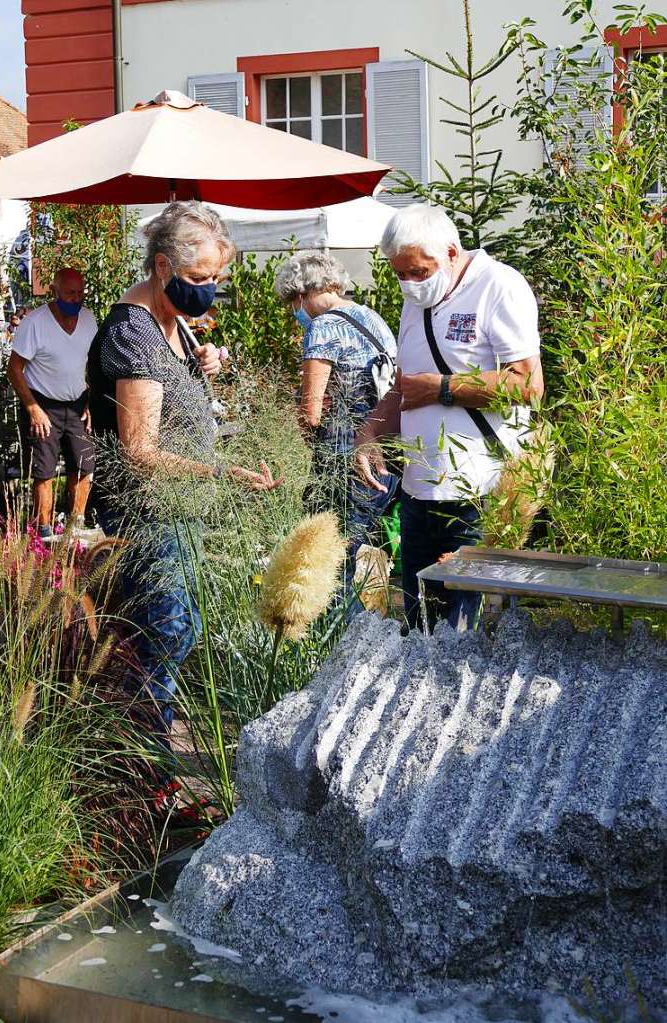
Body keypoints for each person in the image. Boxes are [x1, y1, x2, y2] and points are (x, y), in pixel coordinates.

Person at [88, 201, 281, 731]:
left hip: (180, 507)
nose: (208, 288)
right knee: (167, 630)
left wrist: (204, 366)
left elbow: (180, 406)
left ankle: (145, 745)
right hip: (149, 512)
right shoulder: (136, 335)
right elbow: (141, 450)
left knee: (179, 628)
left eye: (216, 277)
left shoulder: (175, 323)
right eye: (199, 277)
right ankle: (147, 757)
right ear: (163, 267)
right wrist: (224, 475)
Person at [355, 204, 544, 631]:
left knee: (470, 636)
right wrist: (369, 431)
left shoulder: (497, 285)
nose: (410, 283)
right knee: (419, 631)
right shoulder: (414, 300)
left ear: (452, 253)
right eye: (400, 273)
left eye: (420, 272)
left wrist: (441, 388)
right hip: (419, 495)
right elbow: (405, 386)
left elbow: (528, 384)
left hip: (480, 494)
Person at [274, 251, 397, 614]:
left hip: (343, 458)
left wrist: (310, 439)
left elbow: (310, 412)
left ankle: (338, 649)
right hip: (383, 451)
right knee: (351, 553)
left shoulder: (323, 325)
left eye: (291, 303)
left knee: (327, 565)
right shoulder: (373, 319)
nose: (294, 312)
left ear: (300, 293)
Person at [7, 268, 97, 539]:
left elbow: (94, 364)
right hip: (44, 404)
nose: (76, 298)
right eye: (70, 293)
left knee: (84, 464)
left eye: (80, 293)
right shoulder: (35, 323)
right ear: (55, 291)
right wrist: (33, 409)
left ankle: (75, 525)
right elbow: (14, 369)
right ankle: (44, 532)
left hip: (78, 402)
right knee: (43, 471)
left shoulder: (89, 319)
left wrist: (91, 401)